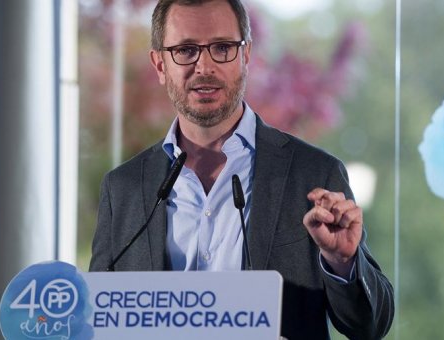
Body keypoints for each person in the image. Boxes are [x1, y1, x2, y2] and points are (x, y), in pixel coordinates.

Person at [89, 0, 394, 338]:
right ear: (160, 64)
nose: (204, 66)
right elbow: (97, 321)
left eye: (222, 48)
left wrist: (342, 262)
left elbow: (369, 325)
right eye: (186, 50)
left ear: (246, 56)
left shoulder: (313, 174)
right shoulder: (123, 189)